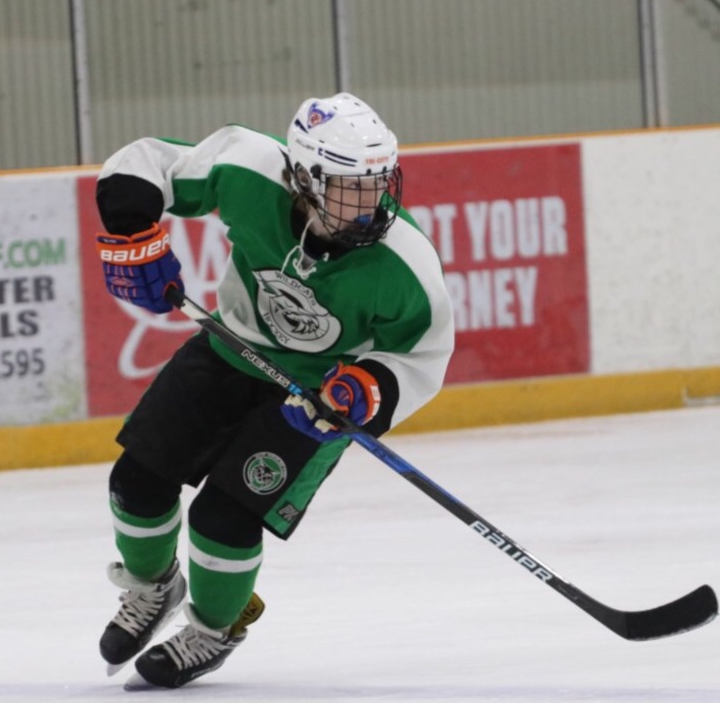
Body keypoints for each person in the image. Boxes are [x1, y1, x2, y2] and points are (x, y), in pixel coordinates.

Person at [94, 92, 455, 689]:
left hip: (311, 403)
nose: (372, 205)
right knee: (136, 482)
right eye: (350, 188)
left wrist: (368, 387)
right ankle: (151, 590)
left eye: (378, 185)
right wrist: (135, 231)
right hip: (227, 349)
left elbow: (422, 355)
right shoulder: (250, 166)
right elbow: (147, 161)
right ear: (304, 179)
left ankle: (214, 628)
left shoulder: (406, 262)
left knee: (223, 518)